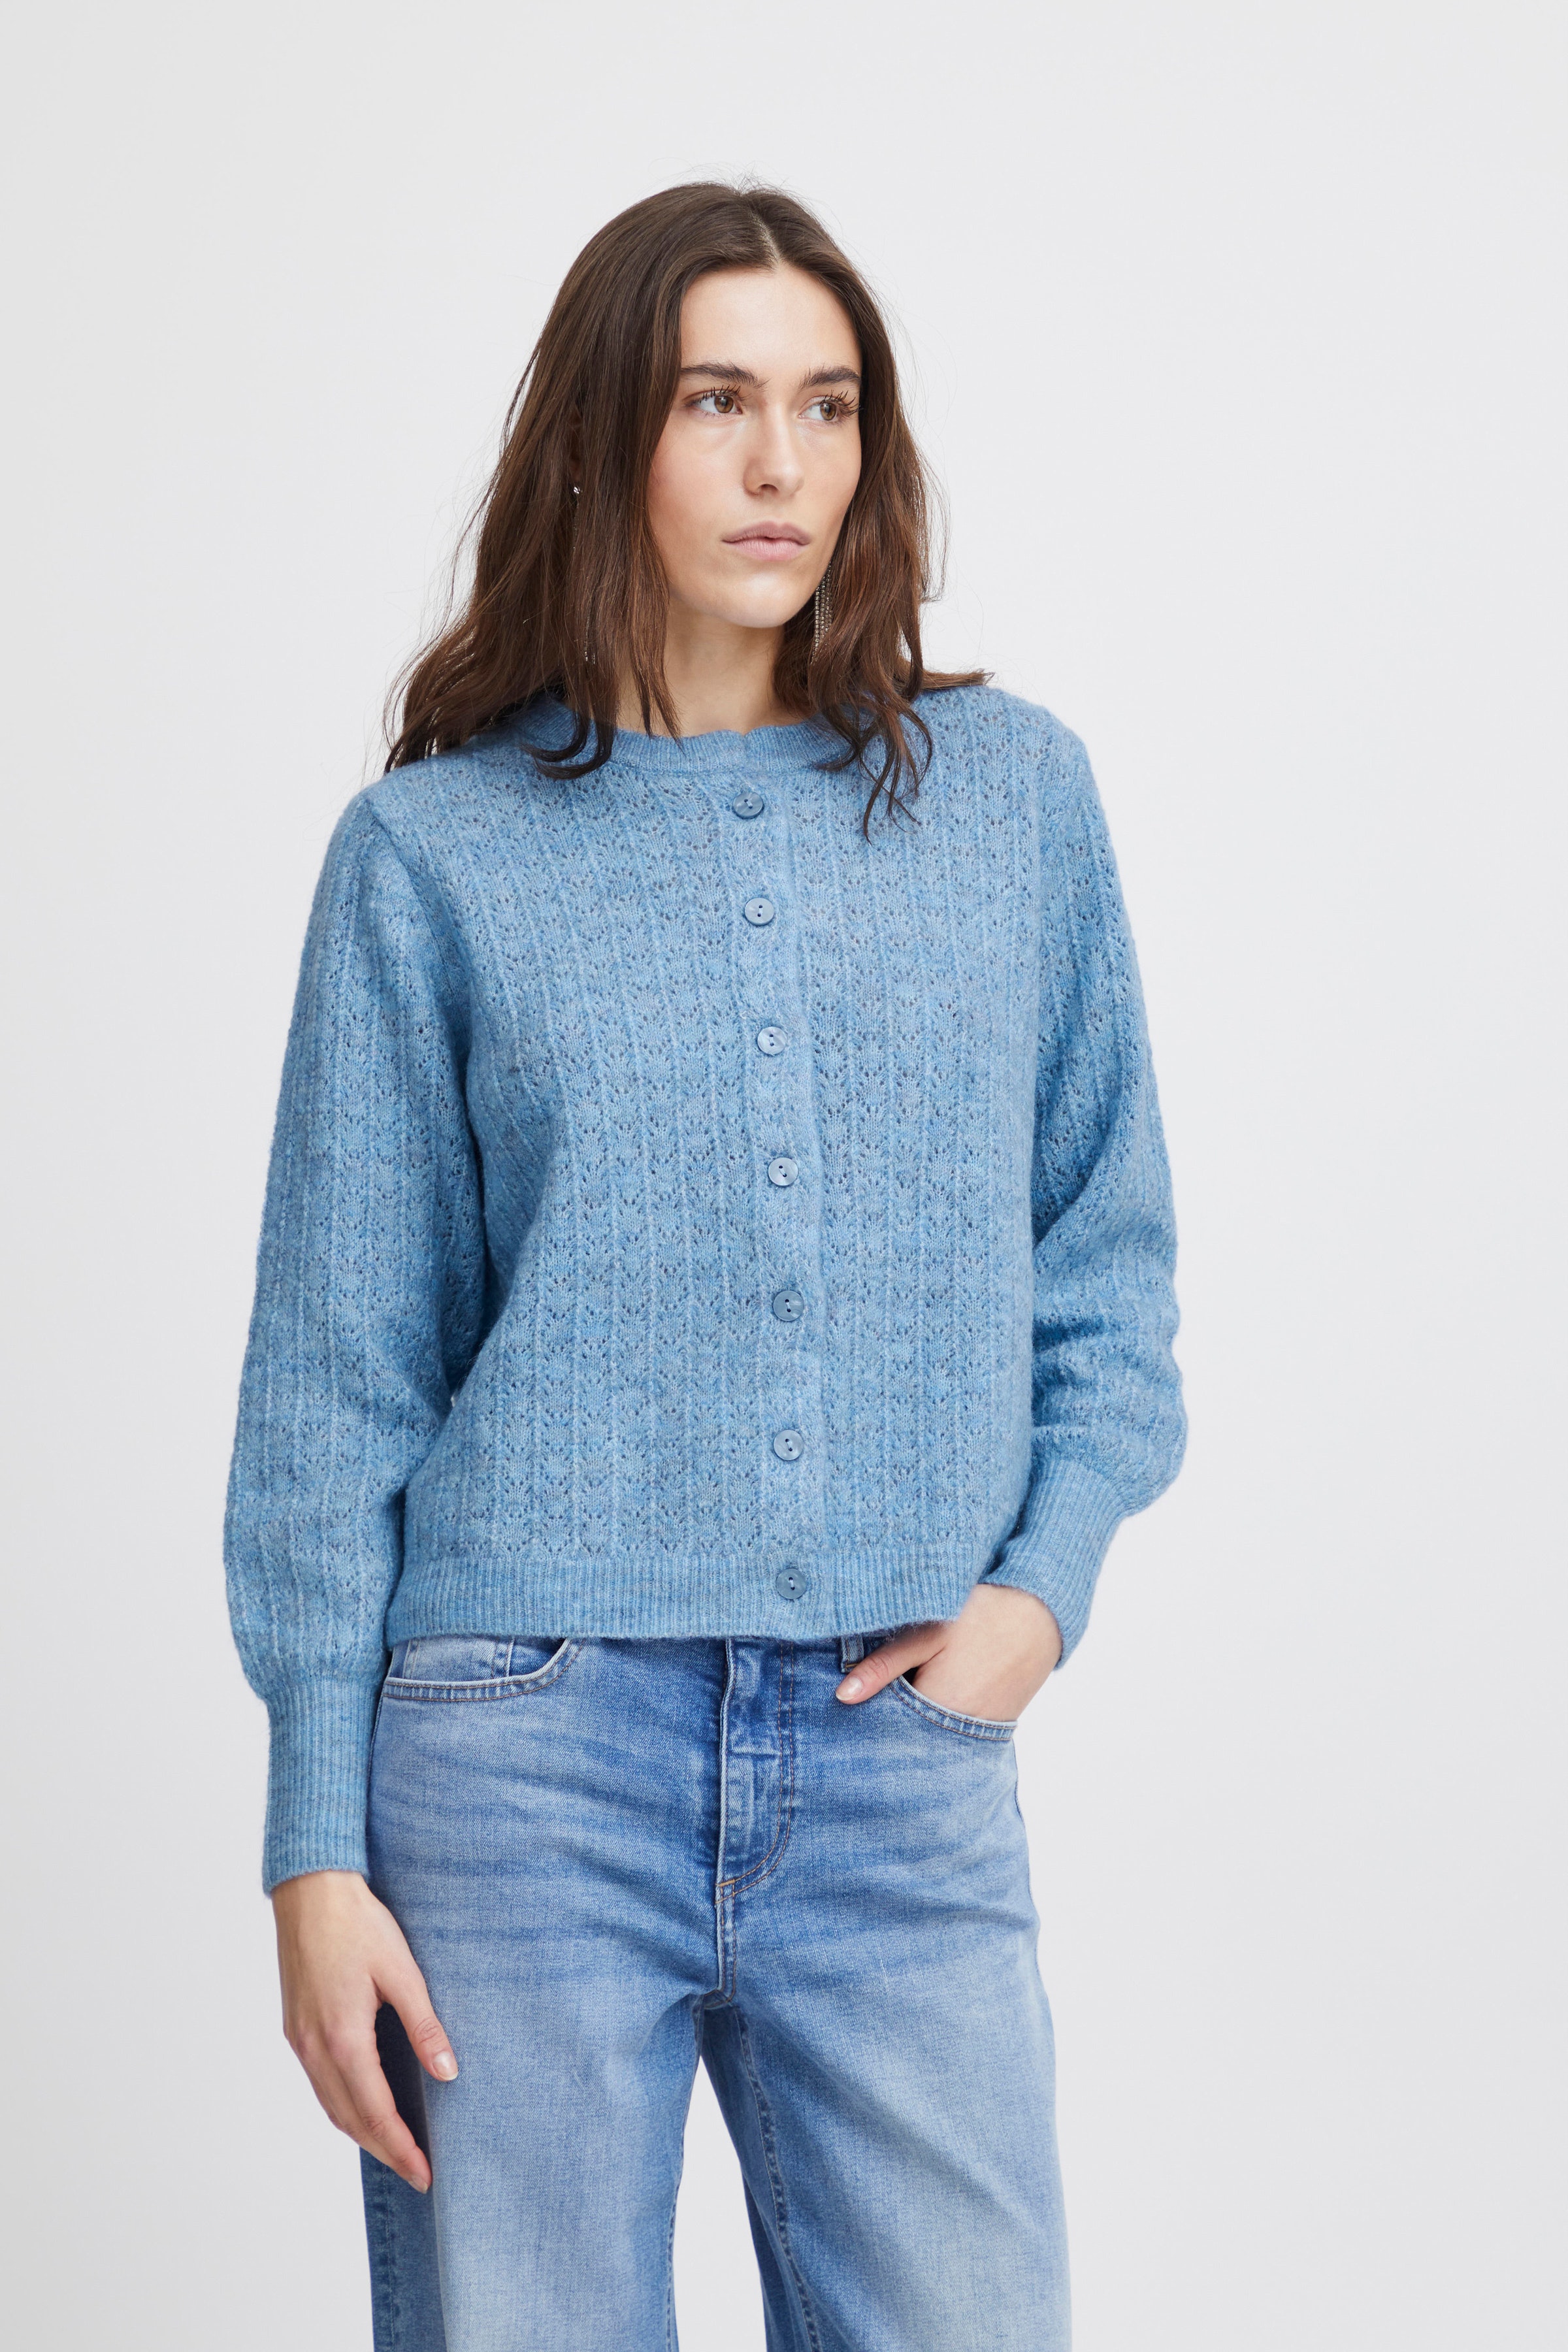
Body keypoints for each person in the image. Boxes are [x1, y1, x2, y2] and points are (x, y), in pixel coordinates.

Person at [225, 180, 1186, 2352]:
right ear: (603, 440)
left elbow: (1109, 1269)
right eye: (716, 401)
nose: (783, 465)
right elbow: (336, 1380)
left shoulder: (1010, 803)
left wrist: (1034, 1601)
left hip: (899, 1757)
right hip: (516, 1765)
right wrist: (312, 1844)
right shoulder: (432, 852)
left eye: (829, 406)